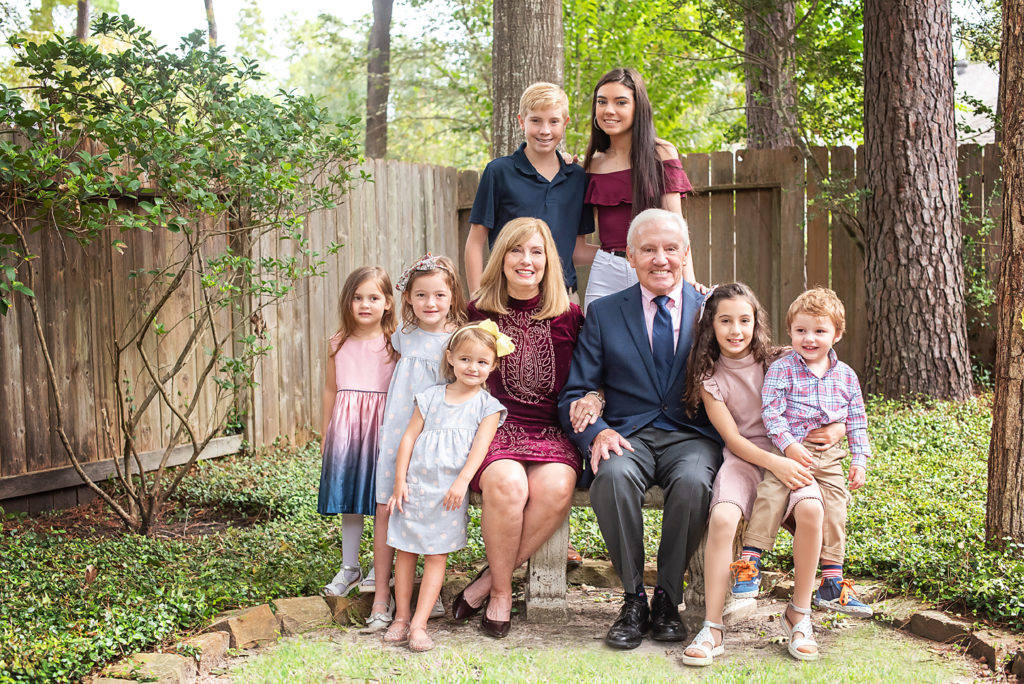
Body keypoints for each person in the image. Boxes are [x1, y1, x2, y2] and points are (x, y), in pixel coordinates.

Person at [558, 208, 721, 650]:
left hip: (692, 435)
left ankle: (667, 597)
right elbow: (576, 390)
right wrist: (597, 433)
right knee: (610, 476)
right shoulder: (606, 312)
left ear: (686, 254)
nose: (660, 258)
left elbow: (752, 363)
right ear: (630, 256)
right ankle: (633, 599)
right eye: (648, 249)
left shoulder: (714, 310)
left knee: (691, 483)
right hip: (627, 433)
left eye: (670, 248)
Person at [678, 283, 842, 666]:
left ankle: (799, 616)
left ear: (756, 323)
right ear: (710, 327)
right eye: (725, 321)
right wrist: (777, 465)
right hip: (746, 460)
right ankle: (713, 627)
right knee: (722, 518)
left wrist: (837, 430)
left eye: (744, 320)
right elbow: (733, 440)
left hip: (789, 451)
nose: (736, 330)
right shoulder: (709, 378)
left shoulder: (782, 360)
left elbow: (836, 392)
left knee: (812, 511)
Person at [451, 217, 585, 638]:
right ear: (501, 258)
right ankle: (502, 593)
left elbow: (590, 377)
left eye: (536, 252)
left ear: (549, 262)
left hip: (550, 431)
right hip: (496, 428)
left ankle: (488, 580)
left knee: (556, 488)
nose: (526, 260)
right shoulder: (477, 313)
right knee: (509, 485)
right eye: (516, 250)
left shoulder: (570, 316)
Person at [734, 288, 874, 650]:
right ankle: (751, 561)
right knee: (771, 492)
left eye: (819, 331)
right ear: (790, 332)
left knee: (835, 506)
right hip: (788, 447)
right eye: (800, 331)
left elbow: (857, 420)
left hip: (829, 457)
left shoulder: (846, 377)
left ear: (837, 335)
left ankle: (831, 578)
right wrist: (790, 446)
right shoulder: (782, 369)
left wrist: (859, 459)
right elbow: (771, 413)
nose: (809, 339)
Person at [385, 324, 509, 652]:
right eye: (465, 359)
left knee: (436, 556)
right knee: (406, 551)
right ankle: (400, 617)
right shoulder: (430, 397)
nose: (473, 367)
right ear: (450, 358)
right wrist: (399, 481)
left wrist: (462, 481)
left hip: (447, 494)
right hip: (414, 487)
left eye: (482, 362)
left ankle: (419, 625)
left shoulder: (488, 407)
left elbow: (479, 449)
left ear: (493, 365)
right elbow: (409, 437)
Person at [361, 254, 468, 632]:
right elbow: (366, 341)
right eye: (421, 295)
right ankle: (381, 597)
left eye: (439, 294)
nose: (430, 303)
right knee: (389, 508)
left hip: (437, 438)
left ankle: (428, 594)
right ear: (407, 297)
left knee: (430, 509)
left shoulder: (458, 339)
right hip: (397, 434)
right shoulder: (402, 336)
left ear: (453, 296)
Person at [574, 67, 698, 310]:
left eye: (620, 102)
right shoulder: (591, 165)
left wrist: (690, 285)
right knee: (601, 346)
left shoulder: (661, 153)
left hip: (658, 270)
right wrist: (607, 260)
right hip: (606, 276)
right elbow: (577, 248)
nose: (609, 110)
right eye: (602, 102)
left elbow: (677, 228)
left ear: (637, 108)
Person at [465, 82, 594, 297]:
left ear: (565, 124)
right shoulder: (498, 172)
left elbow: (578, 251)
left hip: (563, 297)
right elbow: (474, 243)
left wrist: (623, 255)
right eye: (535, 121)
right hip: (507, 297)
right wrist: (476, 298)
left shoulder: (578, 178)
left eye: (554, 122)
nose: (545, 130)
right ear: (521, 122)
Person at [318, 266, 398, 597]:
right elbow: (329, 390)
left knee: (383, 500)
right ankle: (349, 567)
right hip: (347, 431)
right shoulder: (337, 343)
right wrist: (326, 434)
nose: (365, 304)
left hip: (383, 430)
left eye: (373, 297)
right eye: (357, 297)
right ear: (348, 302)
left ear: (388, 303)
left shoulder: (396, 343)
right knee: (351, 500)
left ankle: (384, 570)